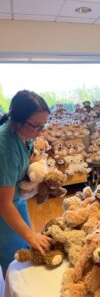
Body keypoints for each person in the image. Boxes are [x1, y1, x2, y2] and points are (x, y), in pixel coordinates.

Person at [0, 90, 52, 276]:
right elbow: (4, 204)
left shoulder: (24, 135)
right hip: (4, 208)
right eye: (36, 126)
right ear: (18, 120)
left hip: (15, 200)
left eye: (43, 125)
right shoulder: (5, 146)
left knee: (26, 247)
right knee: (14, 260)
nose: (40, 131)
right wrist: (30, 235)